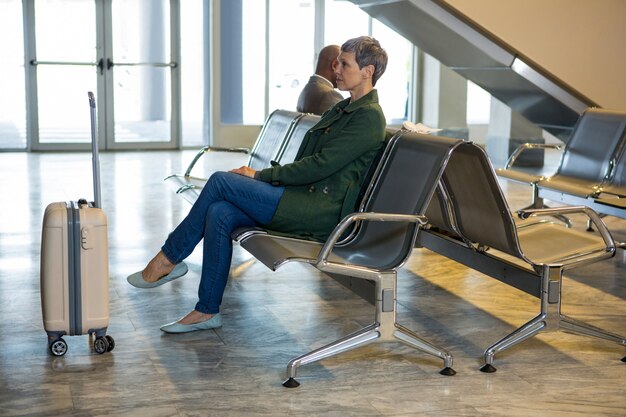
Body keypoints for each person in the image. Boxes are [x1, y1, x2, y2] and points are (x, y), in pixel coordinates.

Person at [127, 36, 388, 333]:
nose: (336, 68)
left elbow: (321, 166)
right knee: (220, 212)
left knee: (221, 182)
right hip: (300, 198)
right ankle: (206, 310)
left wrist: (260, 176)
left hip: (319, 212)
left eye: (345, 63)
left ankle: (168, 258)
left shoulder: (368, 118)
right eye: (337, 62)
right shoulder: (340, 110)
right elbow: (309, 158)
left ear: (367, 71)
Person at [296, 44, 344, 115]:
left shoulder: (306, 89)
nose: (345, 72)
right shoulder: (330, 96)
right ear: (334, 65)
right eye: (344, 65)